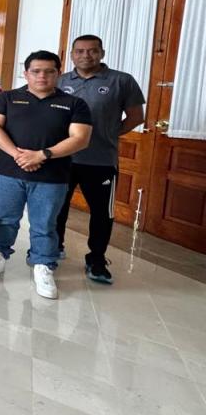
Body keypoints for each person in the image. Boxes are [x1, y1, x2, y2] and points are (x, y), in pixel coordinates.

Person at [0, 51, 92, 300]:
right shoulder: (7, 98)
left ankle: (43, 266)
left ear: (58, 73)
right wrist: (18, 155)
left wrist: (42, 155)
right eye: (36, 71)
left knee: (44, 224)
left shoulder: (74, 103)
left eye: (49, 71)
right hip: (9, 172)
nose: (42, 75)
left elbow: (80, 138)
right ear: (26, 73)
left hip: (52, 175)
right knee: (5, 218)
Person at [55, 34, 145, 284]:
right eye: (80, 51)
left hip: (101, 160)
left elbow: (136, 117)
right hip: (62, 158)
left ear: (102, 53)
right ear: (71, 55)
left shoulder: (121, 81)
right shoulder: (60, 81)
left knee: (101, 213)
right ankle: (55, 246)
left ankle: (96, 259)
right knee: (56, 207)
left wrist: (110, 132)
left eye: (92, 51)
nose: (86, 56)